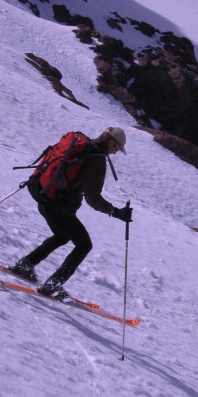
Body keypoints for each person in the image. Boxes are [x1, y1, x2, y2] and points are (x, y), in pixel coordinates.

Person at [10, 126, 132, 300]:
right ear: (111, 142)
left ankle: (25, 265)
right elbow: (92, 198)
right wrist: (115, 212)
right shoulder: (96, 159)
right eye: (116, 149)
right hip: (58, 207)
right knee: (84, 245)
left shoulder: (82, 144)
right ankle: (52, 285)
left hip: (43, 195)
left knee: (62, 236)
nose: (115, 153)